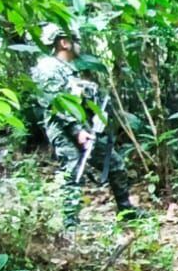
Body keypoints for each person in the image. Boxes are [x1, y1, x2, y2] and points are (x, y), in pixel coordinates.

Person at [30, 24, 140, 231]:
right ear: (64, 42)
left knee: (115, 164)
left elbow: (76, 98)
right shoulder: (48, 68)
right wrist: (76, 130)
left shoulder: (67, 70)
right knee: (73, 173)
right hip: (65, 130)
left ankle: (126, 211)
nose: (79, 45)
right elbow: (56, 103)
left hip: (83, 127)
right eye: (75, 41)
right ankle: (70, 224)